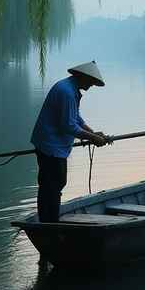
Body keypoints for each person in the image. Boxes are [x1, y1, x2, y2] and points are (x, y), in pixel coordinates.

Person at [30, 61, 111, 223]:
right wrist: (93, 138)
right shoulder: (66, 92)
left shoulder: (69, 88)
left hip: (52, 145)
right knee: (53, 186)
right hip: (51, 147)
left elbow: (75, 117)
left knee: (52, 185)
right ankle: (50, 222)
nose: (91, 86)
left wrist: (92, 132)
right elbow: (68, 125)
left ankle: (47, 221)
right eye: (91, 82)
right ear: (83, 77)